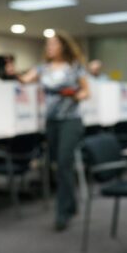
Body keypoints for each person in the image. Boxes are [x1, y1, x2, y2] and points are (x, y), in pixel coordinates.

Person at [19, 30, 89, 231]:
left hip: (70, 120)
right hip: (52, 122)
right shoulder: (43, 68)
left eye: (53, 44)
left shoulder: (75, 68)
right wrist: (13, 72)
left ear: (63, 46)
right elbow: (25, 80)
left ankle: (62, 213)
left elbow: (86, 92)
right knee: (58, 165)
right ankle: (71, 204)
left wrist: (75, 95)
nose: (49, 48)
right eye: (48, 45)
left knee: (65, 162)